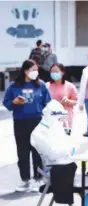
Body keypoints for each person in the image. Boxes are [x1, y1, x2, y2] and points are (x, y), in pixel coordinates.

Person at [3, 59, 51, 192]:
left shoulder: (40, 85)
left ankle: (38, 179)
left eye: (36, 69)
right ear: (25, 70)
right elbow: (6, 103)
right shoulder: (14, 86)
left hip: (37, 122)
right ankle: (25, 179)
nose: (35, 72)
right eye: (32, 70)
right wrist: (14, 102)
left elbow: (48, 103)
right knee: (23, 152)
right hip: (20, 122)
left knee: (37, 151)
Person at [46, 63, 78, 134]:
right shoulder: (47, 86)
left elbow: (75, 101)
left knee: (66, 140)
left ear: (62, 73)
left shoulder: (69, 86)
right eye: (52, 72)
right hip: (51, 118)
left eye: (56, 71)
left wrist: (68, 101)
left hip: (65, 119)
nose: (54, 74)